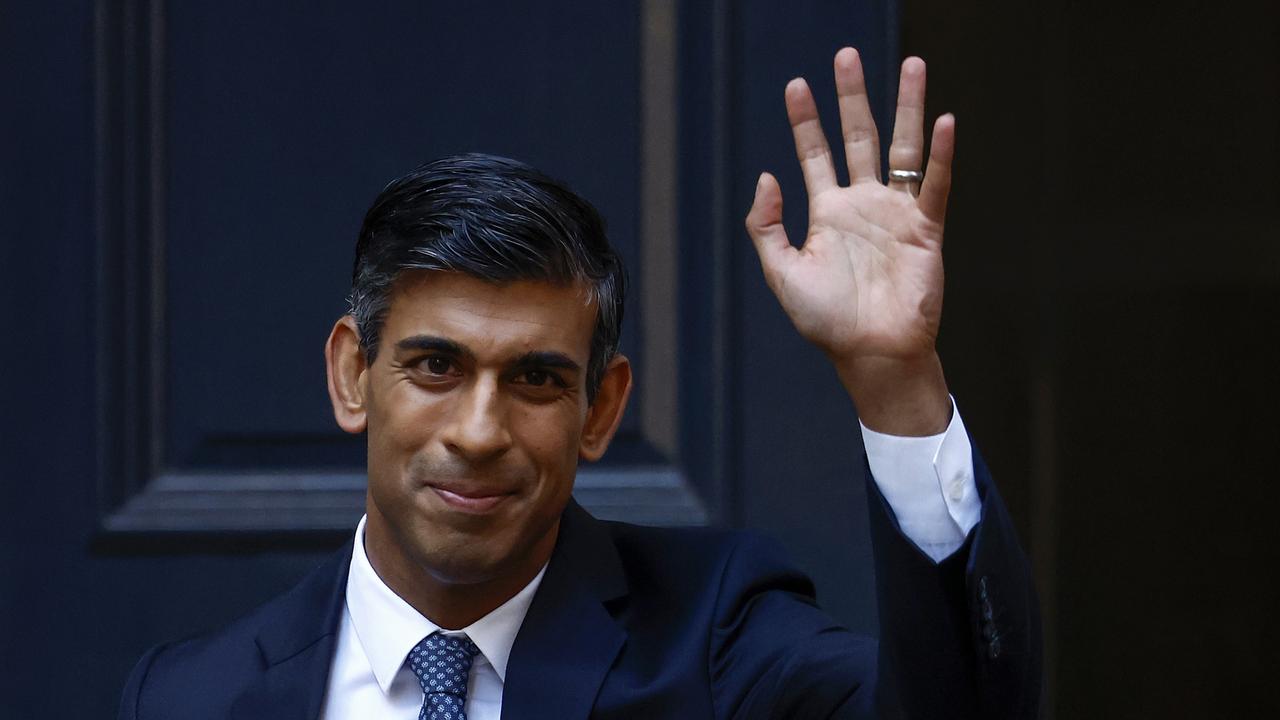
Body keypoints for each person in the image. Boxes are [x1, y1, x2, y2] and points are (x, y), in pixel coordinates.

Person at [118, 48, 1040, 719]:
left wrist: (895, 383)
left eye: (535, 379)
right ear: (354, 375)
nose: (479, 431)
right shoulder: (188, 697)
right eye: (436, 366)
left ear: (601, 408)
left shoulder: (716, 642)